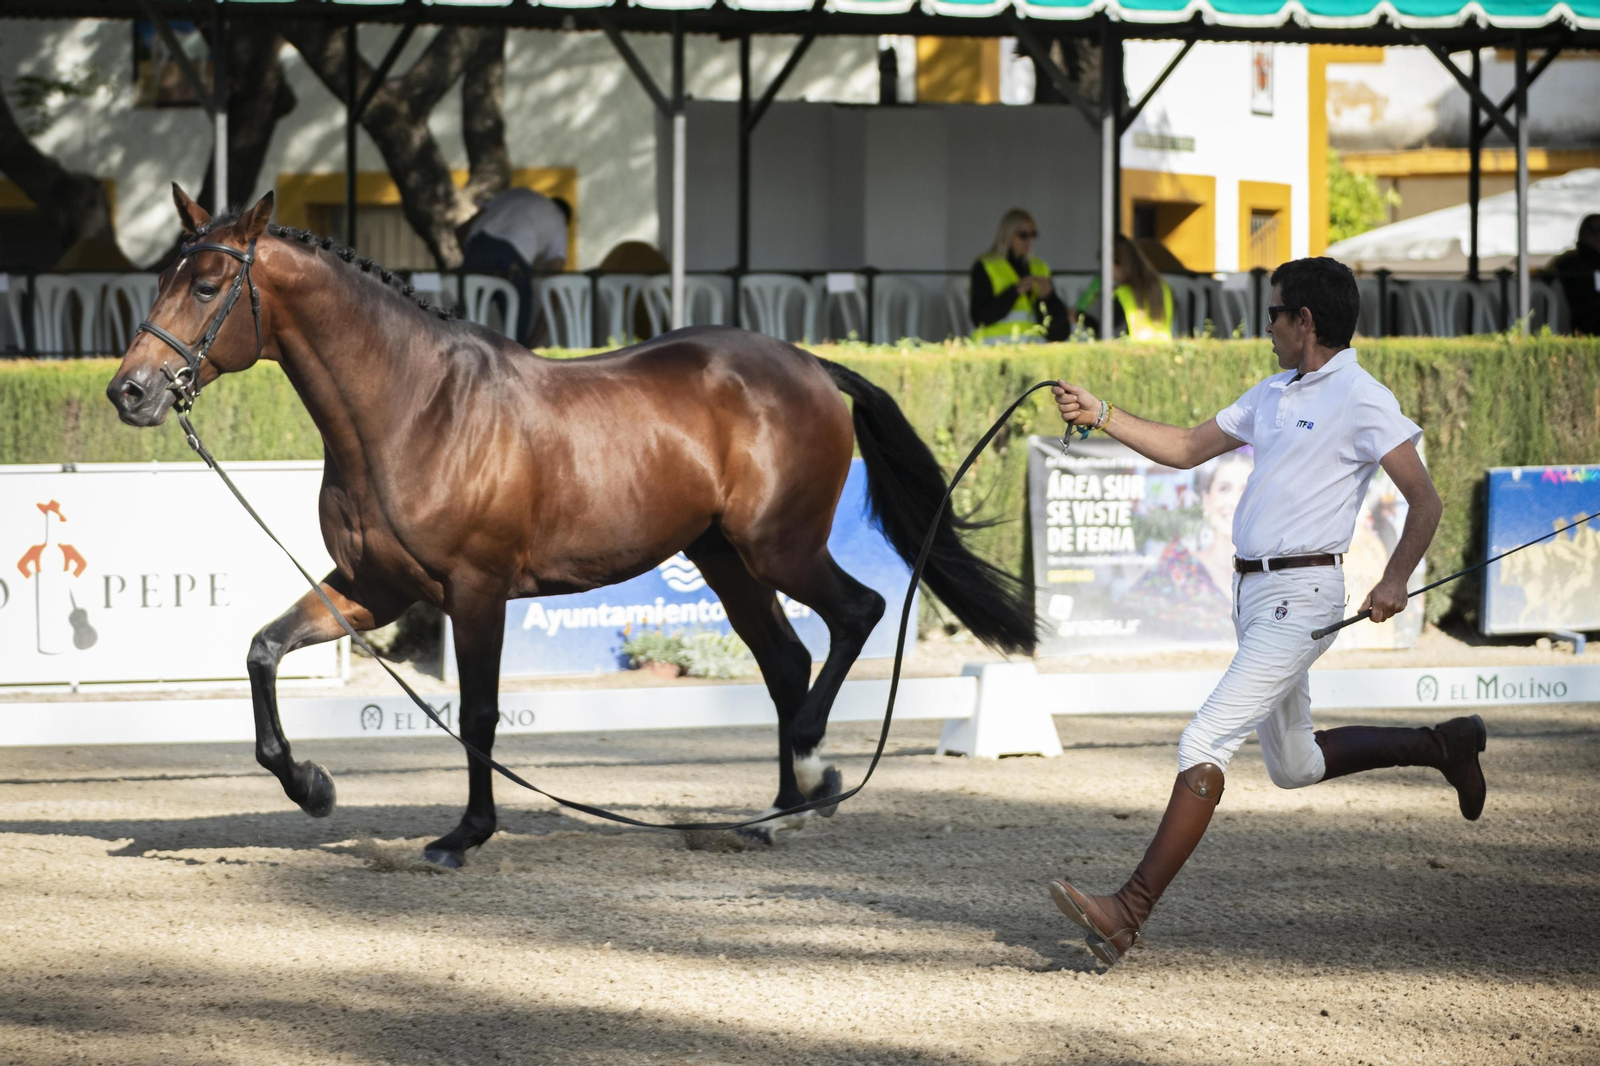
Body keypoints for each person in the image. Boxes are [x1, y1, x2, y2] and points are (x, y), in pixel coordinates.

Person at [1047, 256, 1485, 968]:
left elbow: (1425, 500)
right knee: (1295, 764)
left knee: (1205, 740)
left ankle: (1128, 912)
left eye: (1274, 313)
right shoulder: (1273, 392)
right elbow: (1185, 448)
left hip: (1303, 597)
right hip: (1253, 596)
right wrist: (1100, 413)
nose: (1268, 327)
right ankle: (1445, 746)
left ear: (1304, 321)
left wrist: (1396, 578)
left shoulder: (1363, 398)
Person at [461, 187, 573, 345]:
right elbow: (554, 290)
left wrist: (472, 260)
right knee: (516, 338)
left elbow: (461, 230)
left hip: (475, 246)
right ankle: (519, 352)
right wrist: (531, 343)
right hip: (512, 259)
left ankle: (442, 344)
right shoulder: (559, 218)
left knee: (463, 313)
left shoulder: (518, 192)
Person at [970, 209, 1070, 343]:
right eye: (1023, 235)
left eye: (1033, 234)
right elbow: (980, 318)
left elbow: (1060, 330)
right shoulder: (986, 266)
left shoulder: (1040, 268)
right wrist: (1014, 292)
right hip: (995, 347)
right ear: (1007, 235)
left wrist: (1048, 297)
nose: (1029, 240)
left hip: (1033, 349)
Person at [1074, 234, 1176, 340]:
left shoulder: (1122, 294)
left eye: (1106, 266)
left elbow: (1109, 336)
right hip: (1162, 348)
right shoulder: (1164, 288)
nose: (1107, 274)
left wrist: (1084, 319)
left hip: (1133, 349)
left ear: (1117, 264)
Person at [1543, 213, 1600, 336]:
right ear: (1581, 234)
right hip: (1582, 325)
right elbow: (1545, 278)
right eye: (1591, 231)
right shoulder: (1569, 260)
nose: (1597, 236)